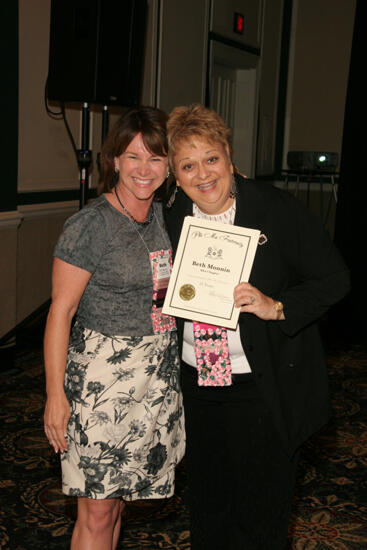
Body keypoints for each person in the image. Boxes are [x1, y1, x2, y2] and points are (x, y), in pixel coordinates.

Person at [164, 103, 350, 550]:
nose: (203, 174)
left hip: (261, 386)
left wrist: (278, 306)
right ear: (174, 173)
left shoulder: (276, 209)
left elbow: (335, 278)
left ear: (229, 157)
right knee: (210, 508)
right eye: (188, 165)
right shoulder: (169, 216)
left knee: (261, 515)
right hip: (197, 386)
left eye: (211, 158)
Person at [43, 106, 185, 550]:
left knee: (118, 502)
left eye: (156, 158)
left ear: (169, 165)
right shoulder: (90, 226)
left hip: (157, 380)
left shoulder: (168, 217)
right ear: (115, 161)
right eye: (133, 157)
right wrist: (54, 395)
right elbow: (59, 313)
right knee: (98, 510)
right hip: (102, 385)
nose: (144, 169)